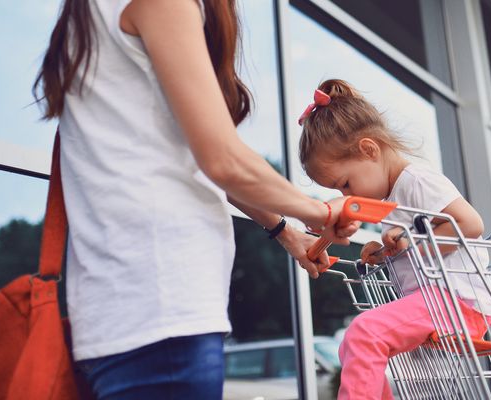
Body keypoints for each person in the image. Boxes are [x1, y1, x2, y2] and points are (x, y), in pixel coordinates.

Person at [32, 1, 355, 398]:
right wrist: (321, 211)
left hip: (123, 313)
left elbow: (199, 160)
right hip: (162, 308)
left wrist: (289, 232)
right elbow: (222, 159)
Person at [298, 79, 491, 399]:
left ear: (369, 149)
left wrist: (409, 241)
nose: (345, 195)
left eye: (345, 183)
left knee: (364, 334)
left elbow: (470, 224)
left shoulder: (416, 180)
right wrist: (385, 251)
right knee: (353, 347)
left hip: (457, 301)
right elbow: (408, 245)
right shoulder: (389, 199)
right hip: (433, 303)